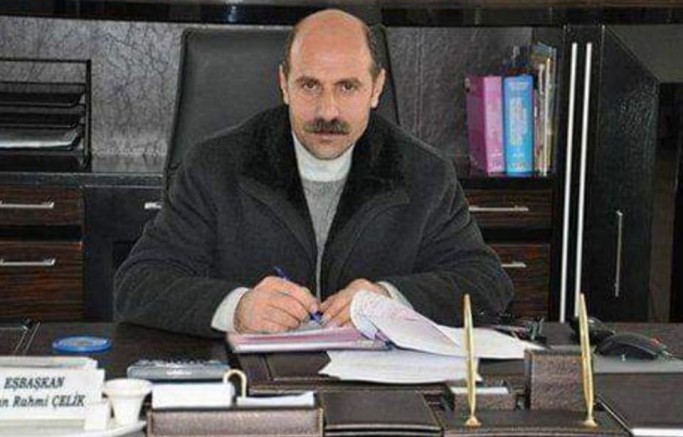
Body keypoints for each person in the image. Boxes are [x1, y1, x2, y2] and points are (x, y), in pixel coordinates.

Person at [115, 9, 514, 338]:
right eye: (309, 86)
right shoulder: (214, 166)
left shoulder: (425, 174)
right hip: (249, 389)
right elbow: (138, 284)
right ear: (284, 84)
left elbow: (486, 283)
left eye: (347, 87)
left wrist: (390, 299)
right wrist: (237, 309)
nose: (327, 111)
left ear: (376, 88)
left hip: (377, 394)